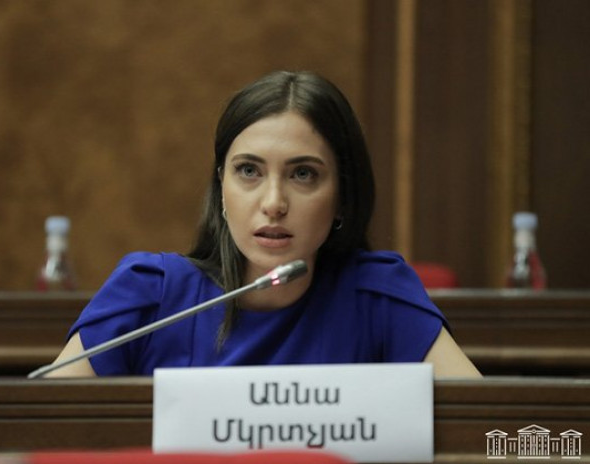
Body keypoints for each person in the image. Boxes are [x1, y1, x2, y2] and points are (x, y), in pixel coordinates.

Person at [46, 70, 481, 378]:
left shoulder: (377, 296)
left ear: (343, 196)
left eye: (303, 174)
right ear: (221, 188)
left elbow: (487, 432)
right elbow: (40, 431)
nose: (273, 204)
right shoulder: (150, 296)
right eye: (249, 171)